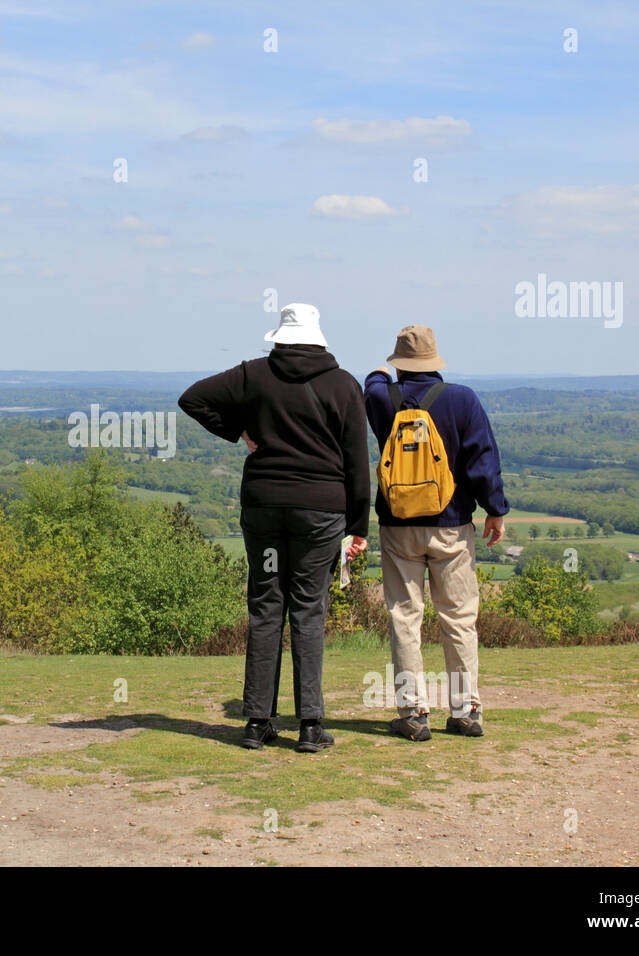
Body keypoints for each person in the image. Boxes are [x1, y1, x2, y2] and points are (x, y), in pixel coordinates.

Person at [179, 304, 370, 753]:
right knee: (308, 609)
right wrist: (359, 525)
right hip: (321, 512)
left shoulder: (253, 374)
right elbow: (358, 462)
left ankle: (256, 723)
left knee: (266, 606)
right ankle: (309, 727)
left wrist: (238, 431)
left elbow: (193, 398)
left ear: (279, 338)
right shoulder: (343, 385)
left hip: (264, 506)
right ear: (318, 338)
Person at [364, 325, 508, 741]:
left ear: (399, 364)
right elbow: (483, 459)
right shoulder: (462, 400)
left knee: (405, 618)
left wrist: (381, 369)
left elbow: (372, 382)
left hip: (398, 526)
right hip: (452, 525)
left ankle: (412, 712)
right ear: (435, 360)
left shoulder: (382, 397)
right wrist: (495, 510)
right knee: (459, 618)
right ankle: (465, 711)